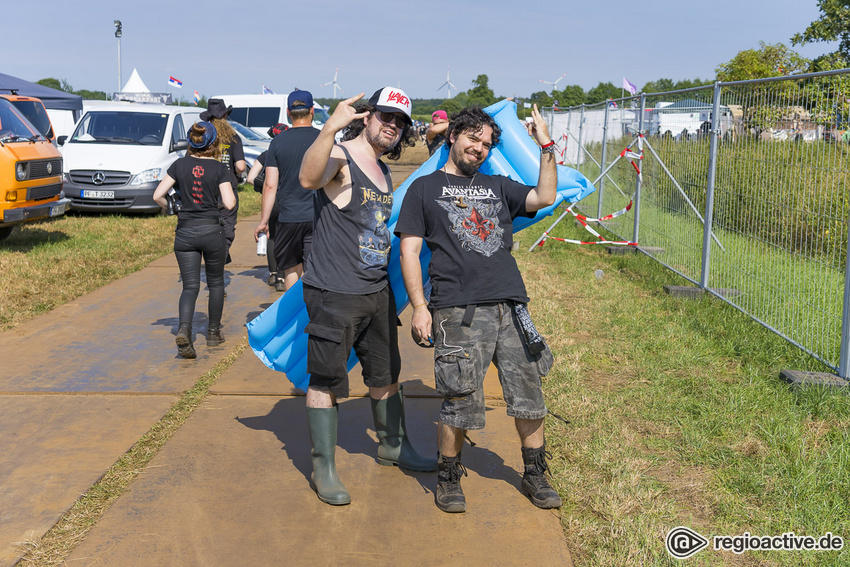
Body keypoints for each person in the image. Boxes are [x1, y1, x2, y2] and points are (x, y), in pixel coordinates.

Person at [396, 105, 562, 513]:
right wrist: (419, 306)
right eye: (473, 138)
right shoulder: (424, 188)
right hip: (458, 307)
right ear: (453, 136)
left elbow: (545, 195)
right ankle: (449, 476)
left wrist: (545, 142)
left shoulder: (498, 185)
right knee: (460, 396)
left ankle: (535, 473)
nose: (479, 148)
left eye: (487, 143)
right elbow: (410, 248)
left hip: (510, 303)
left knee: (529, 393)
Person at [297, 87, 435, 506]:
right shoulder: (340, 155)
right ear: (367, 116)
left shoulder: (381, 169)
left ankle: (393, 446)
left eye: (400, 121)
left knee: (385, 373)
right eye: (385, 116)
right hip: (333, 292)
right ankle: (325, 468)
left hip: (375, 293)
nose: (391, 125)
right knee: (326, 381)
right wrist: (328, 130)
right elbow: (307, 178)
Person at [153, 122, 236, 358]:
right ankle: (212, 333)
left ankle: (184, 330)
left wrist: (174, 207)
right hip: (212, 231)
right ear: (213, 143)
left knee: (190, 286)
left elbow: (157, 195)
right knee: (216, 283)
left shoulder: (179, 165)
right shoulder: (219, 169)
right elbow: (229, 203)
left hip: (185, 232)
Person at [253, 90, 320, 293]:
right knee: (314, 270)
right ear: (312, 111)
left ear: (289, 113)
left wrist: (264, 221)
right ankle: (311, 317)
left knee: (291, 270)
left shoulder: (277, 143)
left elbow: (270, 185)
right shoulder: (324, 139)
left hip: (289, 216)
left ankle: (293, 316)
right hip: (317, 216)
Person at [200, 99, 245, 264]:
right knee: (227, 224)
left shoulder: (202, 135)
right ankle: (221, 254)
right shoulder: (233, 137)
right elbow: (240, 166)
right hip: (228, 188)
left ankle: (213, 254)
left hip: (205, 188)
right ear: (225, 116)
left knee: (207, 224)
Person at [246, 123, 288, 288]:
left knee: (271, 235)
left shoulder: (266, 154)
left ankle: (272, 273)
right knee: (286, 237)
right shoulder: (291, 153)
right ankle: (283, 276)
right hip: (287, 199)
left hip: (271, 200)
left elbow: (250, 178)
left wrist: (263, 188)